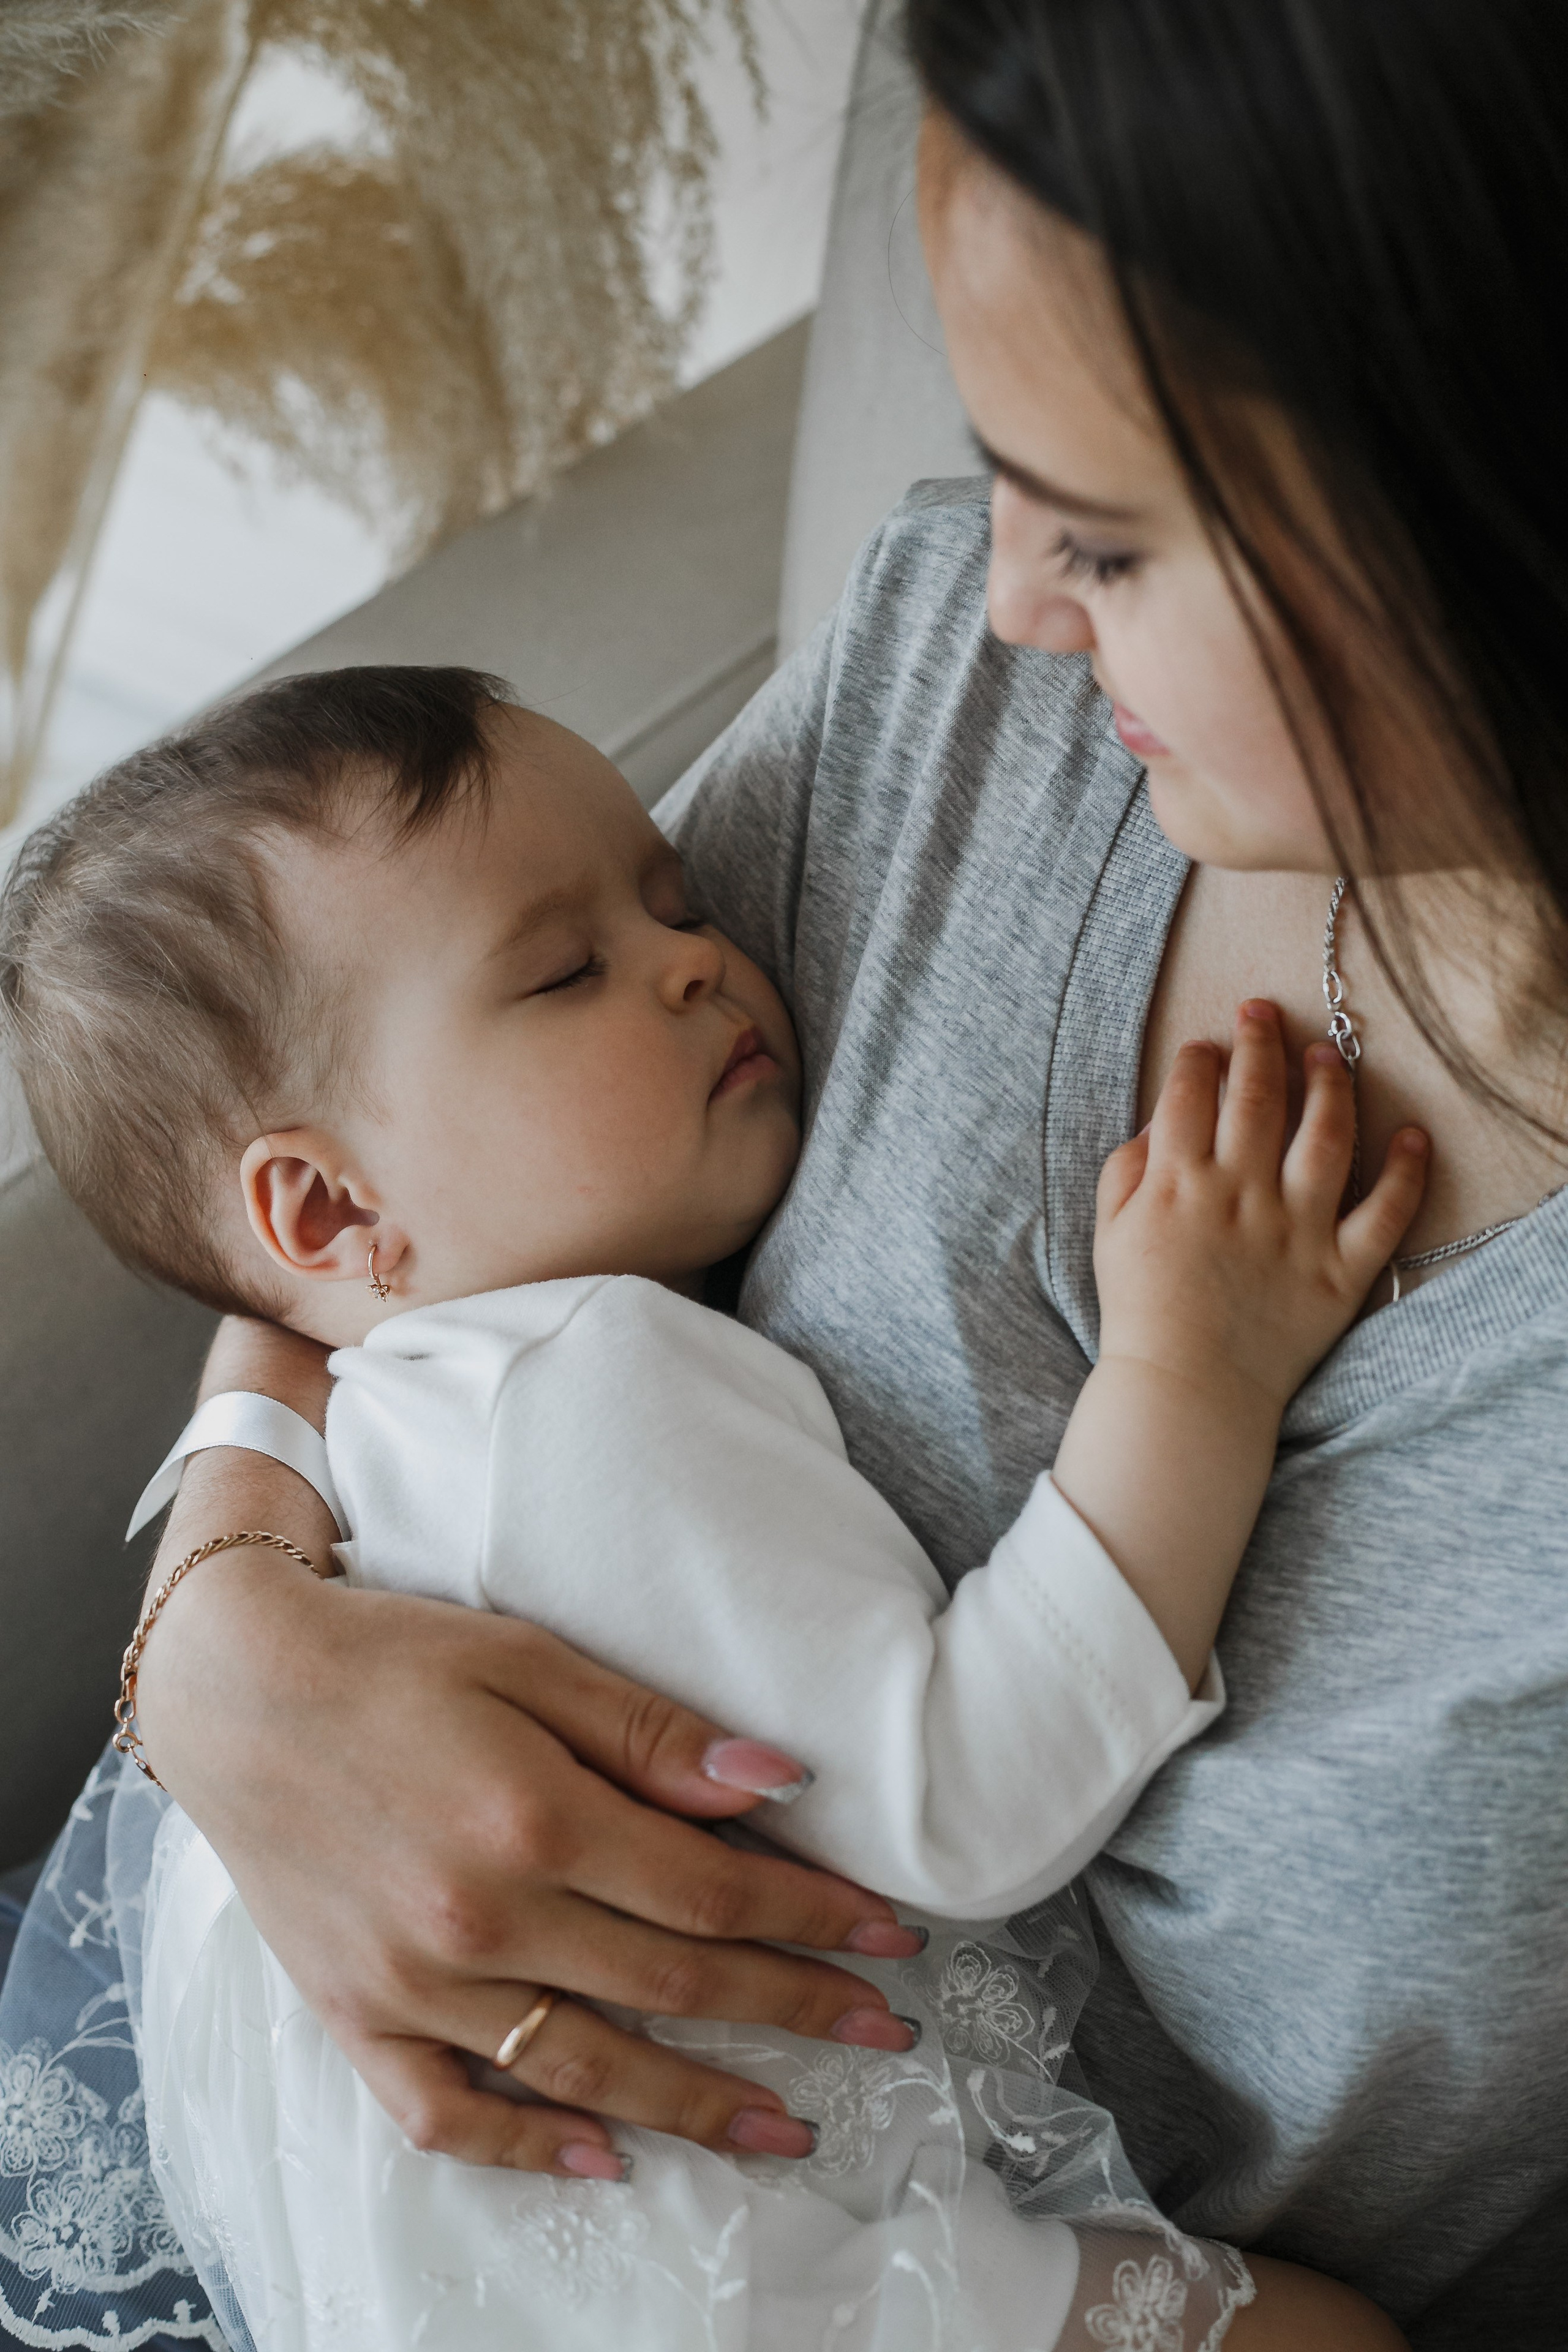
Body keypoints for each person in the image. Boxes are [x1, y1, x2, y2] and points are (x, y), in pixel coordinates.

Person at [6, 0, 1567, 2343]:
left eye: (1121, 536)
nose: (1017, 589)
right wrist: (224, 1631)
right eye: (1001, 461)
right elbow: (379, 1179)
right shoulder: (967, 696)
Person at [1, 663, 1422, 2346]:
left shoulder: (395, 1410)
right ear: (322, 1206)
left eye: (669, 898)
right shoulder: (588, 1381)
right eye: (567, 971)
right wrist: (1194, 1374)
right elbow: (960, 1801)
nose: (694, 952)